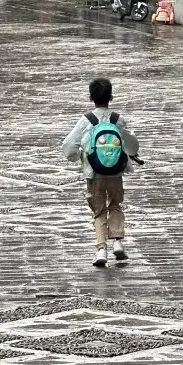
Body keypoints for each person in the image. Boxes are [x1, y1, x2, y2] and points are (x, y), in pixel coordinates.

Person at [60, 75, 140, 268]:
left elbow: (69, 146)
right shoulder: (117, 119)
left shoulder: (86, 120)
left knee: (98, 210)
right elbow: (131, 145)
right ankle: (118, 241)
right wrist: (132, 154)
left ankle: (100, 249)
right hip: (115, 172)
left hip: (93, 172)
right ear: (111, 97)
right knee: (115, 204)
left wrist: (79, 156)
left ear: (90, 97)